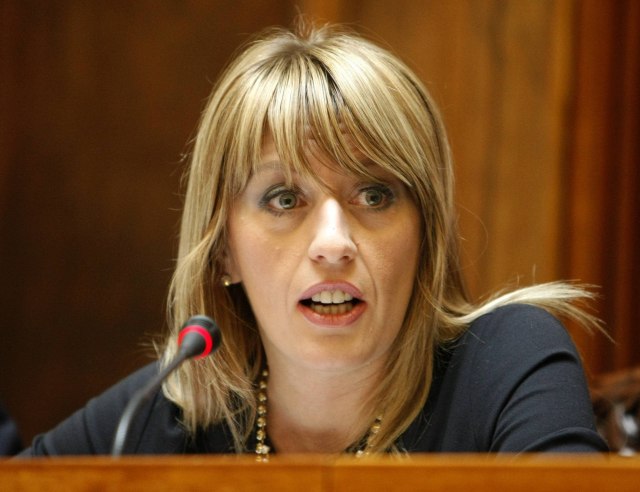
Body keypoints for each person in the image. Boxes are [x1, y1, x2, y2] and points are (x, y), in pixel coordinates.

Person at [20, 22, 607, 457]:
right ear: (222, 248)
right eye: (284, 199)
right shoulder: (163, 415)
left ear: (425, 233)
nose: (333, 243)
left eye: (373, 195)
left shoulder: (505, 364)